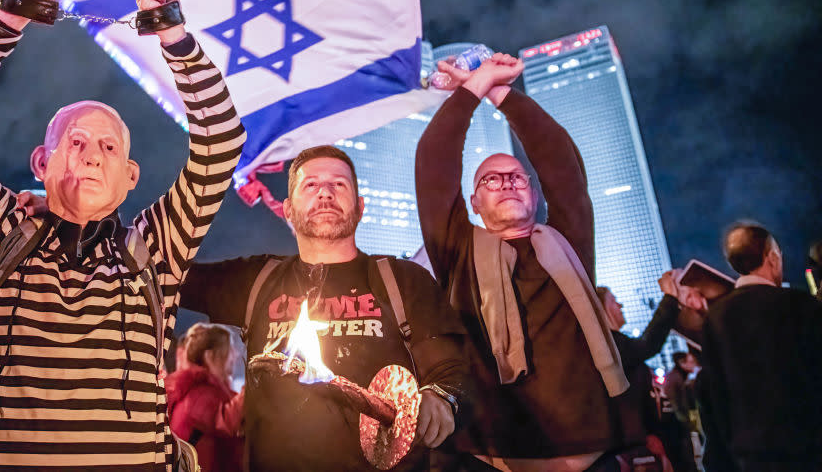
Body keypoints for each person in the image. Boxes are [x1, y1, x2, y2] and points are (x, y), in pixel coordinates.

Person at [0, 0, 245, 469]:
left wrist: (173, 33)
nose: (91, 155)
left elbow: (221, 143)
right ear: (42, 163)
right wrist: (8, 18)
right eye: (76, 142)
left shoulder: (156, 250)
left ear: (130, 175)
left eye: (108, 146)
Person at [417, 53, 644, 471]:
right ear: (474, 204)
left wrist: (501, 92)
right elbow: (434, 163)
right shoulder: (457, 251)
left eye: (517, 177)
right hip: (492, 459)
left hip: (590, 457)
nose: (506, 182)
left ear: (535, 196)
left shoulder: (568, 243)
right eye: (491, 179)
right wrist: (475, 86)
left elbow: (562, 165)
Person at [181, 145, 471, 472]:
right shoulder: (256, 280)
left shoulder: (403, 280)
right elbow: (167, 275)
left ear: (360, 207)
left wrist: (440, 397)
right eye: (311, 185)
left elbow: (449, 367)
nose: (325, 193)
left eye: (339, 184)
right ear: (288, 209)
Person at [698, 222, 822, 471]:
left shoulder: (716, 317)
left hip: (749, 455)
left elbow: (715, 394)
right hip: (807, 449)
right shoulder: (800, 305)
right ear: (772, 258)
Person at [598, 273, 689, 471]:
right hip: (635, 452)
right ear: (600, 310)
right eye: (614, 301)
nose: (621, 305)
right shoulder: (610, 345)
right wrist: (669, 299)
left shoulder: (618, 344)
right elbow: (648, 344)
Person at [167, 323, 244, 472]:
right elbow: (226, 422)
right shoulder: (200, 394)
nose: (234, 355)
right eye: (228, 349)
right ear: (210, 356)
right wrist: (254, 386)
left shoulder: (208, 390)